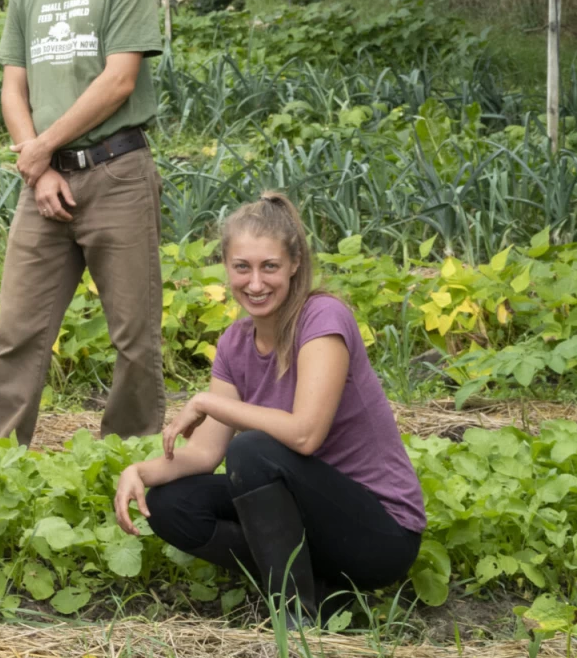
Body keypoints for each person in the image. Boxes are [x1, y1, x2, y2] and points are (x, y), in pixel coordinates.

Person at [112, 193, 425, 618]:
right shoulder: (234, 344)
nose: (255, 283)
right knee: (170, 505)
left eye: (269, 267)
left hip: (379, 533)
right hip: (316, 522)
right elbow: (204, 454)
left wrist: (207, 401)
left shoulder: (323, 319)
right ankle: (321, 590)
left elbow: (305, 434)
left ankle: (295, 616)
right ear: (226, 266)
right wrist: (138, 472)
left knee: (253, 450)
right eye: (242, 267)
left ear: (294, 264)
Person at [0, 0, 165, 447]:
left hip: (117, 173)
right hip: (47, 182)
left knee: (134, 336)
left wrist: (39, 149)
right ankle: (0, 458)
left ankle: (127, 457)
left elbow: (119, 80)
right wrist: (40, 166)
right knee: (18, 332)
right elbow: (14, 88)